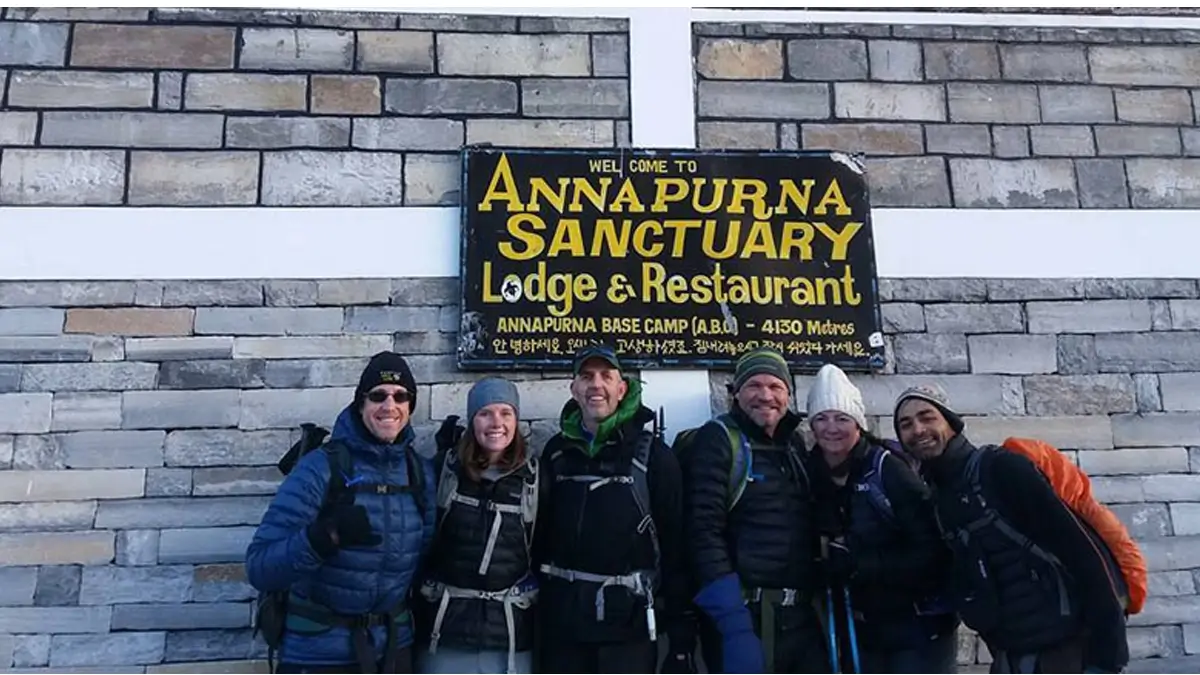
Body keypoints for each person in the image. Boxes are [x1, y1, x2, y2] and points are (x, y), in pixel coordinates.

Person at [893, 384, 1129, 675]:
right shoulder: (939, 498)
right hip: (1013, 655)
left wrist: (1109, 656)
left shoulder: (1002, 469)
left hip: (1068, 649)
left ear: (950, 422)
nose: (917, 429)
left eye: (927, 417)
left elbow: (1083, 552)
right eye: (906, 424)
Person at [246, 351, 437, 673]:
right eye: (378, 395)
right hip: (320, 654)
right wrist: (322, 538)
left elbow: (424, 558)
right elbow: (260, 567)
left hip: (392, 650)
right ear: (361, 404)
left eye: (401, 396)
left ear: (410, 407)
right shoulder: (320, 468)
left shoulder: (419, 473)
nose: (389, 405)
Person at [534, 344, 694, 673]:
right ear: (574, 389)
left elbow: (677, 546)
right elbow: (538, 535)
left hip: (628, 629)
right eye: (586, 376)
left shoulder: (654, 456)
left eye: (607, 376)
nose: (596, 385)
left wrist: (680, 636)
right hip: (564, 626)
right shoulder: (556, 452)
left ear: (621, 389)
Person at [803, 364, 958, 674]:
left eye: (842, 418)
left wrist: (859, 563)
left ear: (858, 423)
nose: (831, 428)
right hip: (865, 627)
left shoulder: (888, 469)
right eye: (821, 418)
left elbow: (933, 551)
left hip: (918, 625)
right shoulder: (811, 472)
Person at [682, 346, 827, 673]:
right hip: (745, 617)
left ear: (788, 395)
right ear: (736, 394)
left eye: (775, 386)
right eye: (754, 386)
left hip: (800, 619)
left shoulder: (795, 445)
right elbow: (703, 531)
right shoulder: (718, 439)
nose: (765, 395)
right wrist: (734, 624)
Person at [414, 377, 542, 674]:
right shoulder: (443, 471)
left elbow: (543, 548)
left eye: (505, 413)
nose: (496, 423)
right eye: (485, 413)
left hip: (510, 638)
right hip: (444, 634)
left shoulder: (536, 480)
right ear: (472, 420)